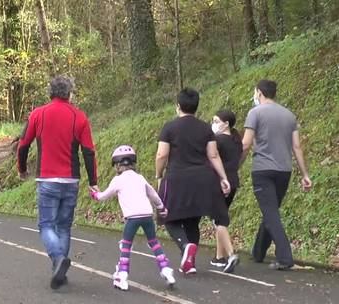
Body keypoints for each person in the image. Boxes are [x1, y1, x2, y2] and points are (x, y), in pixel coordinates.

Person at [17, 75, 98, 289]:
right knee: (63, 226)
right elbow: (89, 151)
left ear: (50, 92)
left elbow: (23, 145)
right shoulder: (79, 116)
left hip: (47, 179)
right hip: (71, 180)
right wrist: (93, 181)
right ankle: (59, 268)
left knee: (45, 224)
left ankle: (58, 259)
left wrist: (22, 169)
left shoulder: (38, 114)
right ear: (69, 93)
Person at [155, 88, 231, 275]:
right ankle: (190, 263)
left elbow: (162, 154)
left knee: (167, 217)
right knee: (191, 222)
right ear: (196, 106)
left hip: (177, 178)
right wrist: (223, 178)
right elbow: (213, 155)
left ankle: (185, 246)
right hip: (204, 180)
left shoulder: (169, 127)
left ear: (178, 106)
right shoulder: (205, 128)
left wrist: (158, 174)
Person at [241, 79, 312, 270]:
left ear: (259, 93)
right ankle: (258, 252)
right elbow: (296, 146)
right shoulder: (289, 115)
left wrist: (235, 167)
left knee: (270, 213)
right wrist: (305, 174)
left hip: (263, 170)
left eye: (255, 92)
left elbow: (246, 144)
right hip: (284, 171)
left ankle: (285, 258)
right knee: (270, 211)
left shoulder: (255, 112)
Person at [91, 145, 175, 291]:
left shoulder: (118, 180)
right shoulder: (140, 178)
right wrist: (161, 208)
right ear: (133, 163)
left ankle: (122, 276)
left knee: (126, 246)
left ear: (117, 165)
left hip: (132, 218)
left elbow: (104, 196)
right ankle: (166, 269)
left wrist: (95, 195)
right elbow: (153, 194)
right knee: (154, 243)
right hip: (147, 215)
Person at [209, 110, 242, 272]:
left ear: (226, 123)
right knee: (220, 218)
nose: (213, 124)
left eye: (216, 121)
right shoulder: (237, 140)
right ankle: (219, 257)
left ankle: (230, 254)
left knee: (218, 220)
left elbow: (211, 158)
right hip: (233, 182)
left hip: (219, 183)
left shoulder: (218, 140)